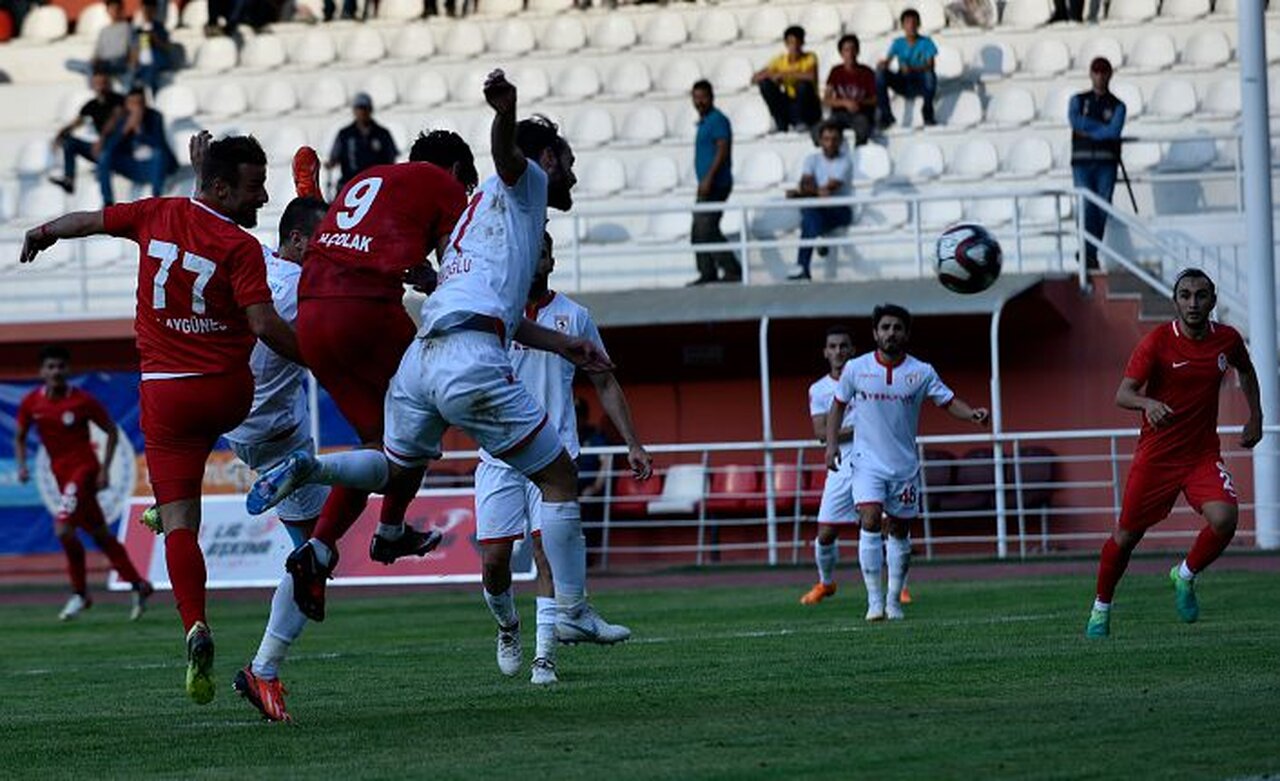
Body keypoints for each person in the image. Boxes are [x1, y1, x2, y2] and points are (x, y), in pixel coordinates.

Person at [250, 70, 622, 645]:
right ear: (546, 159)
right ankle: (569, 609)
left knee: (392, 454)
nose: (571, 173)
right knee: (559, 477)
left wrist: (558, 341)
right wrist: (506, 111)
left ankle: (320, 484)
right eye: (566, 160)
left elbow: (447, 279)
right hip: (436, 343)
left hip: (380, 335)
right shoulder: (502, 194)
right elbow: (508, 156)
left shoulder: (414, 197)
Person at [20, 133, 303, 706]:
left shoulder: (156, 212)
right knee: (265, 406)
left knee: (180, 522)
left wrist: (43, 231)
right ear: (220, 188)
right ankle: (277, 472)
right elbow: (267, 326)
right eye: (253, 188)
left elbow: (88, 221)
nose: (263, 197)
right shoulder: (241, 247)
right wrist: (323, 361)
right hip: (229, 394)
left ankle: (194, 623)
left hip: (166, 394)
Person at [245, 131, 479, 624]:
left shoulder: (368, 180)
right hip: (364, 311)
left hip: (313, 315)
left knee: (377, 442)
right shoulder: (445, 187)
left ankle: (319, 550)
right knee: (422, 419)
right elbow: (461, 273)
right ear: (456, 170)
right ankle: (387, 527)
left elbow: (328, 232)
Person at [476, 232, 652, 685]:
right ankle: (508, 626)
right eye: (530, 252)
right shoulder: (493, 312)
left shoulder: (574, 316)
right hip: (499, 457)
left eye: (545, 252)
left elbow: (606, 383)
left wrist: (633, 442)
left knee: (545, 551)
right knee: (494, 561)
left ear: (553, 261)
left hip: (554, 457)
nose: (538, 259)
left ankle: (544, 658)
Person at [1086, 270, 1261, 639]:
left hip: (1201, 455)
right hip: (1157, 458)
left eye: (1200, 296)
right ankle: (1101, 609)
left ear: (1212, 299)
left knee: (1226, 519)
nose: (1193, 303)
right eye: (1185, 295)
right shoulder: (1158, 342)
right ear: (1175, 300)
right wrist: (1147, 403)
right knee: (1126, 537)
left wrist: (1256, 416)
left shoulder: (1226, 340)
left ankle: (1184, 575)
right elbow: (1123, 393)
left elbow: (1246, 370)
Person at [218, 195, 329, 723]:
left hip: (237, 416)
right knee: (317, 553)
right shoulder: (307, 292)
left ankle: (170, 506)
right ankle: (262, 670)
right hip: (277, 433)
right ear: (303, 242)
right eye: (324, 240)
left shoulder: (254, 255)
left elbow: (210, 221)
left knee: (310, 551)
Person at [825, 304, 988, 621]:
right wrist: (831, 444)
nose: (891, 333)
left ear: (906, 334)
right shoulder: (856, 369)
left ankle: (893, 600)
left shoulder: (921, 371)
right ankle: (874, 602)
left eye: (897, 327)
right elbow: (838, 405)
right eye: (885, 327)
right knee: (870, 519)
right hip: (866, 462)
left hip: (903, 465)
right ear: (875, 333)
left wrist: (971, 414)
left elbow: (948, 401)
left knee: (899, 530)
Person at [13, 345, 153, 622]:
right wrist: (22, 467)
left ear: (68, 369)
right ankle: (139, 584)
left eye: (60, 366)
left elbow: (111, 431)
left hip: (83, 471)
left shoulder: (82, 401)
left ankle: (80, 593)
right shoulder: (32, 403)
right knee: (101, 535)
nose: (55, 372)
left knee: (64, 528)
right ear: (42, 371)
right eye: (50, 367)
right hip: (60, 476)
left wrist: (103, 470)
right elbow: (19, 436)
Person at [799, 326, 857, 606]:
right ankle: (826, 582)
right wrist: (859, 427)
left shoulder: (867, 379)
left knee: (887, 525)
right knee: (825, 532)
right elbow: (822, 433)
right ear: (825, 352)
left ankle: (900, 587)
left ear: (852, 350)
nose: (838, 351)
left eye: (843, 346)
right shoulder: (819, 389)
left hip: (873, 459)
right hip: (840, 464)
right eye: (832, 346)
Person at [1069, 57, 1126, 270]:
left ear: (1110, 74)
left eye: (1104, 72)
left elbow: (1114, 131)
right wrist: (1102, 130)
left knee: (1101, 209)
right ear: (1091, 74)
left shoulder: (1118, 105)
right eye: (1096, 71)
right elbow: (1075, 121)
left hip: (1106, 163)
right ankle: (1088, 253)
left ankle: (1088, 253)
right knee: (1086, 207)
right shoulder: (1078, 99)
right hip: (1082, 162)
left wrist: (1088, 130)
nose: (1100, 76)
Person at [785, 121, 854, 282]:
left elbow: (830, 189)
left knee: (809, 218)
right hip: (816, 207)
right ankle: (813, 245)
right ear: (820, 141)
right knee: (810, 217)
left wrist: (801, 193)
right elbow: (807, 184)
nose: (830, 143)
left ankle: (803, 266)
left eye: (834, 139)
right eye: (826, 139)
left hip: (839, 209)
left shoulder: (845, 161)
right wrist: (811, 190)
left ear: (840, 141)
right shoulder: (812, 159)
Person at [689, 79, 740, 285]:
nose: (699, 101)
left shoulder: (718, 120)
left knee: (706, 229)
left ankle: (732, 269)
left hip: (716, 183)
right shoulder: (704, 121)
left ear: (711, 97)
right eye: (696, 97)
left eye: (703, 97)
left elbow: (722, 149)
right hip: (707, 183)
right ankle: (707, 271)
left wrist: (709, 177)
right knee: (700, 230)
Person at [96, 87, 178, 206]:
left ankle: (156, 198)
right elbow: (110, 148)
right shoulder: (123, 120)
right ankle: (107, 202)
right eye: (132, 103)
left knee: (159, 153)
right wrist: (126, 130)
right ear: (127, 105)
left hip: (155, 166)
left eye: (139, 103)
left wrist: (140, 131)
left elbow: (159, 145)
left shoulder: (155, 117)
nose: (136, 107)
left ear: (145, 103)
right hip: (134, 166)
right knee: (105, 156)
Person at [49, 66, 124, 195]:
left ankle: (108, 203)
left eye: (102, 82)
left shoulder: (118, 100)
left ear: (108, 83)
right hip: (100, 148)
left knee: (104, 154)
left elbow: (114, 121)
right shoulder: (92, 104)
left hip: (118, 148)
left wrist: (101, 140)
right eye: (96, 82)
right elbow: (77, 122)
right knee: (70, 142)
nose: (99, 85)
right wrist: (60, 135)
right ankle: (69, 180)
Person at [875, 9, 939, 129]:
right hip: (903, 81)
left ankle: (928, 112)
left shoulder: (926, 42)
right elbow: (888, 61)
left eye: (914, 23)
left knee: (930, 75)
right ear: (903, 25)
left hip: (920, 81)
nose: (911, 26)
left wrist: (912, 69)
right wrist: (882, 64)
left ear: (918, 25)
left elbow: (930, 65)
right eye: (908, 23)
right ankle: (886, 115)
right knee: (880, 74)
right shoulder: (898, 43)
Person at [752, 25, 820, 133]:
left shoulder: (810, 57)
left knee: (803, 85)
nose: (794, 46)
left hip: (808, 105)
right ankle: (780, 121)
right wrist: (771, 75)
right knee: (765, 84)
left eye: (797, 42)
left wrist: (784, 74)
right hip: (789, 102)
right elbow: (755, 78)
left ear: (802, 43)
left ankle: (800, 121)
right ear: (786, 44)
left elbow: (811, 76)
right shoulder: (779, 60)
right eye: (791, 42)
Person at [327, 93, 399, 193]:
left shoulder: (383, 133)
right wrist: (330, 163)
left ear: (370, 110)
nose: (362, 112)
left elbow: (391, 159)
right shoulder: (345, 134)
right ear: (354, 110)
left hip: (377, 184)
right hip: (350, 183)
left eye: (365, 108)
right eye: (359, 108)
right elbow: (334, 157)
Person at [823, 34, 877, 146]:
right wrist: (845, 102)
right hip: (840, 114)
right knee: (825, 130)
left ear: (858, 51)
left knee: (863, 128)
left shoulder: (867, 72)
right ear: (841, 53)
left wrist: (858, 103)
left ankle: (859, 157)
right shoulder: (835, 71)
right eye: (846, 50)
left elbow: (875, 99)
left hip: (861, 113)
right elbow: (826, 99)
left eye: (853, 49)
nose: (850, 53)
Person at [128, 0, 176, 94]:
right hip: (143, 62)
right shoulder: (138, 30)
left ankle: (151, 94)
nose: (147, 13)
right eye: (145, 10)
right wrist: (133, 61)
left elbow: (167, 48)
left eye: (150, 10)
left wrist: (155, 39)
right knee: (131, 73)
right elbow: (134, 51)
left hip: (158, 60)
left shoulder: (160, 28)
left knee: (150, 70)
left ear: (154, 11)